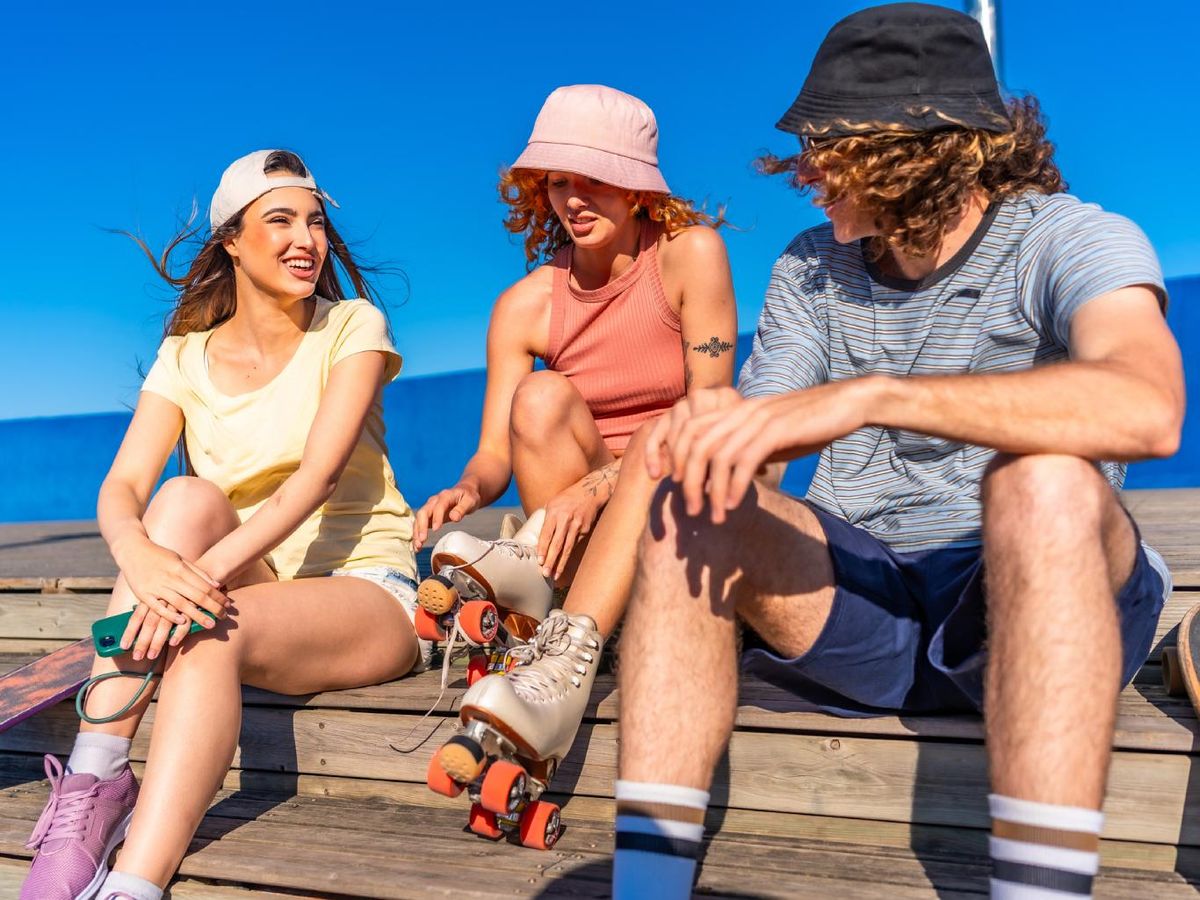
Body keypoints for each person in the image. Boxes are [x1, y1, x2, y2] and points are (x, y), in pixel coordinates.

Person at [612, 5, 1182, 899]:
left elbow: (1148, 409)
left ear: (912, 144)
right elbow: (756, 440)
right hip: (872, 602)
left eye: (824, 147)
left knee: (1043, 484)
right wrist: (688, 454)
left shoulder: (1068, 237)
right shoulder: (811, 266)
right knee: (697, 502)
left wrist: (873, 395)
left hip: (1030, 590)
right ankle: (644, 890)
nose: (803, 174)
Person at [22, 150, 426, 900]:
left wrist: (189, 583)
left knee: (206, 626)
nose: (306, 238)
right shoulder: (183, 356)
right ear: (232, 242)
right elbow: (122, 487)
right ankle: (95, 783)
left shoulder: (352, 327)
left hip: (364, 592)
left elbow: (318, 478)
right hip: (258, 575)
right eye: (280, 220)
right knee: (177, 502)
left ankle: (135, 883)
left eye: (315, 222)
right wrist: (139, 555)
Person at [415, 84, 737, 778]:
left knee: (669, 439)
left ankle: (551, 621)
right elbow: (495, 454)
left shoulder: (690, 256)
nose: (574, 200)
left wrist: (603, 485)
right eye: (559, 182)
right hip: (576, 526)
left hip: (675, 505)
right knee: (538, 396)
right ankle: (547, 600)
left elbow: (710, 409)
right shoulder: (524, 305)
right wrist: (465, 492)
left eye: (595, 180)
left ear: (637, 187)